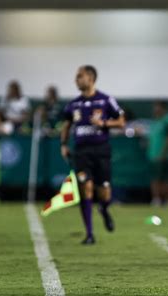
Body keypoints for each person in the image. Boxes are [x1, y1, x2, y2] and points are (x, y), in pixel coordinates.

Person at [60, 65, 125, 245]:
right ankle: (89, 234)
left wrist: (103, 123)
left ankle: (104, 210)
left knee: (104, 192)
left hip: (101, 150)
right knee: (85, 188)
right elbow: (66, 125)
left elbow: (121, 122)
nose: (76, 80)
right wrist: (63, 144)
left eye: (79, 76)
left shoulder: (106, 100)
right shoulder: (73, 104)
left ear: (90, 78)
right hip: (81, 152)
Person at [148, 101, 168, 207]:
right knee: (155, 178)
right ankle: (156, 199)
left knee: (166, 180)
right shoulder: (155, 121)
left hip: (166, 156)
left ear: (163, 108)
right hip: (153, 155)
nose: (155, 110)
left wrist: (162, 154)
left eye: (157, 107)